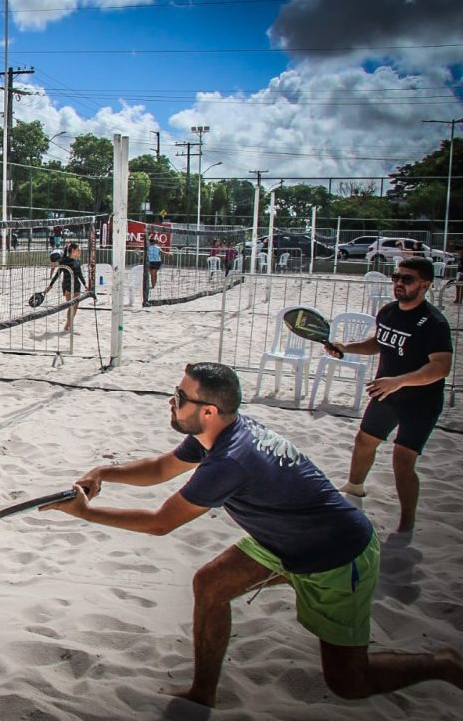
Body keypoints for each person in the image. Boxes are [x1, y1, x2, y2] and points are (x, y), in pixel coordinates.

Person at [43, 361, 463, 708]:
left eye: (181, 397)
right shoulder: (216, 432)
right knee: (210, 584)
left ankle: (441, 663)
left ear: (208, 410)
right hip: (283, 541)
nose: (172, 402)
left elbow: (160, 523)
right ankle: (203, 693)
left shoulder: (231, 459)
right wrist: (102, 473)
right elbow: (159, 469)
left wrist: (85, 514)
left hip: (337, 556)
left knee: (348, 681)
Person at [326, 257, 452, 533]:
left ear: (425, 284)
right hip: (387, 394)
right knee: (363, 442)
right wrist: (345, 347)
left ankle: (407, 523)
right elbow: (378, 343)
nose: (398, 283)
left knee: (402, 462)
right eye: (396, 277)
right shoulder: (389, 312)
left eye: (406, 279)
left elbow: (441, 367)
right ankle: (354, 488)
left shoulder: (433, 323)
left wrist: (399, 381)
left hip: (421, 402)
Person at [39, 243, 88, 332]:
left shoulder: (77, 261)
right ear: (73, 250)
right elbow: (57, 274)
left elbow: (80, 274)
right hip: (67, 285)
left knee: (75, 307)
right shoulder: (64, 261)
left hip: (76, 285)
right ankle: (70, 327)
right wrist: (50, 286)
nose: (79, 252)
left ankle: (67, 325)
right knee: (71, 306)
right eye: (78, 250)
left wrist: (85, 284)